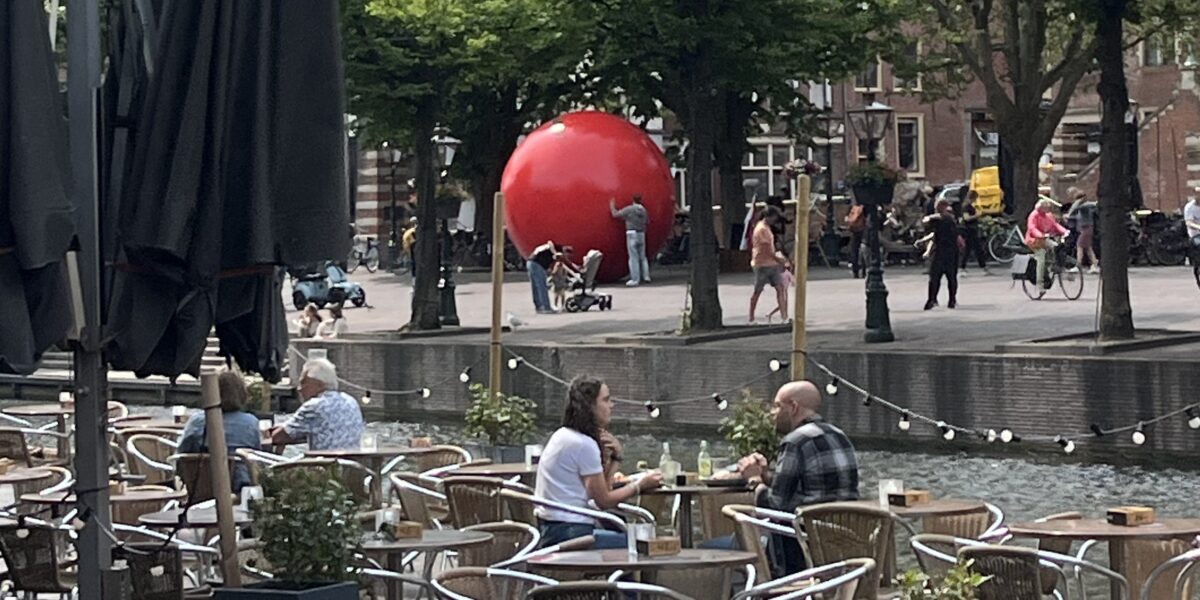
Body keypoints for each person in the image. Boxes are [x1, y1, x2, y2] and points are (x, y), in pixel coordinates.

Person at [705, 381, 858, 576]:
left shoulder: (795, 441)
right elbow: (814, 487)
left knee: (709, 549)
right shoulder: (840, 436)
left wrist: (754, 480)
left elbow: (773, 506)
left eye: (777, 406)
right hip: (838, 547)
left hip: (798, 550)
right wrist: (767, 476)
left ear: (793, 407)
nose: (772, 413)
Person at [534, 375, 663, 548]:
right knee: (644, 545)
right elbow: (604, 501)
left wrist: (615, 458)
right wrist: (640, 485)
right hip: (572, 533)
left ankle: (622, 575)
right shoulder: (583, 444)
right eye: (606, 400)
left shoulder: (562, 435)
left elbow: (603, 492)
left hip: (551, 528)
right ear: (590, 406)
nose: (611, 406)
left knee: (623, 532)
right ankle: (629, 575)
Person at [177, 371, 262, 492]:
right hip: (239, 487)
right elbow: (257, 455)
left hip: (199, 486)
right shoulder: (251, 423)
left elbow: (182, 452)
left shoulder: (197, 421)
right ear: (242, 394)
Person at [270, 358, 364, 451]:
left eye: (303, 383)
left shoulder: (315, 406)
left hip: (325, 464)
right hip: (353, 464)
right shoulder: (351, 401)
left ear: (319, 384)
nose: (299, 388)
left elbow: (277, 437)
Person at [749, 206, 790, 324]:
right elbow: (766, 250)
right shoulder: (761, 229)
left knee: (780, 288)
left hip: (771, 263)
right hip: (762, 264)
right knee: (758, 291)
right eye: (774, 217)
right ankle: (751, 318)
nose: (775, 220)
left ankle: (784, 317)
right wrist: (780, 260)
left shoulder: (766, 227)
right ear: (769, 216)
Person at [917, 199, 960, 310]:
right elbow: (934, 235)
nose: (936, 208)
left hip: (944, 252)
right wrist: (923, 241)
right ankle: (949, 300)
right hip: (948, 252)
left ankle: (935, 300)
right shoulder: (948, 219)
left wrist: (930, 217)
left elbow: (927, 222)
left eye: (938, 206)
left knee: (937, 278)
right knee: (948, 278)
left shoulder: (945, 219)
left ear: (943, 206)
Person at [1025, 197, 1069, 289]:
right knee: (1041, 256)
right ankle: (1039, 283)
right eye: (1047, 207)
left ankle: (1053, 266)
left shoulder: (1048, 216)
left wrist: (1064, 231)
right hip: (1034, 240)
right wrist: (1040, 234)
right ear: (1041, 207)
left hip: (1044, 239)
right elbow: (1032, 228)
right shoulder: (1034, 215)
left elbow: (1055, 225)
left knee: (1056, 247)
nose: (1048, 209)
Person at [610, 194, 651, 286]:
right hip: (641, 233)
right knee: (643, 257)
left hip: (632, 233)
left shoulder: (630, 209)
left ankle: (635, 279)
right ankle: (646, 276)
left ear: (633, 200)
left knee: (633, 257)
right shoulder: (644, 211)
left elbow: (615, 214)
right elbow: (647, 221)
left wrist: (612, 205)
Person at [527, 241, 571, 314]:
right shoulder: (557, 249)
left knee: (535, 286)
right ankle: (546, 307)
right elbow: (550, 243)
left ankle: (539, 307)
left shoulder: (556, 256)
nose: (566, 256)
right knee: (542, 286)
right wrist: (555, 252)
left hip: (531, 262)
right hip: (537, 264)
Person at [1065, 187, 1099, 273]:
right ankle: (1094, 264)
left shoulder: (1085, 206)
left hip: (1086, 229)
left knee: (1079, 246)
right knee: (1088, 248)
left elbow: (1075, 207)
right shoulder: (1082, 208)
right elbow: (1077, 217)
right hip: (1085, 229)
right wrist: (1069, 216)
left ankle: (1078, 265)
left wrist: (1069, 214)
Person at [958, 189, 989, 273]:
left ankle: (964, 266)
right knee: (974, 249)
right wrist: (977, 215)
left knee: (972, 249)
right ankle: (982, 267)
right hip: (969, 230)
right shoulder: (966, 206)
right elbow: (966, 218)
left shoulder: (968, 205)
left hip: (972, 230)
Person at [844, 200, 867, 279]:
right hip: (863, 229)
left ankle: (855, 271)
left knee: (854, 249)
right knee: (864, 249)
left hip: (854, 229)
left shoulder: (853, 205)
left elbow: (847, 218)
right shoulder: (865, 204)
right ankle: (864, 271)